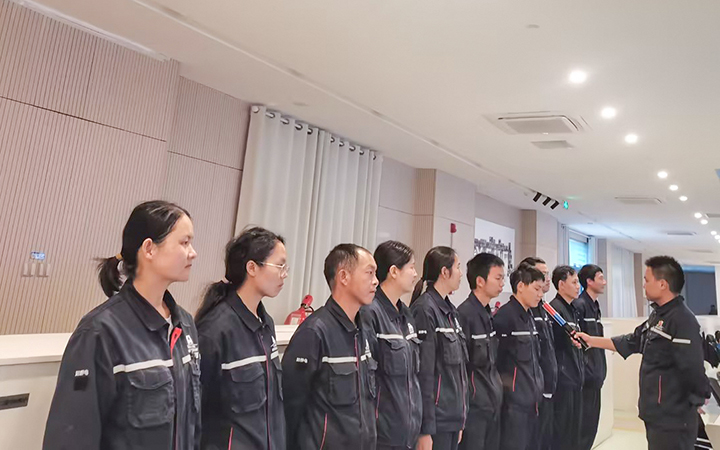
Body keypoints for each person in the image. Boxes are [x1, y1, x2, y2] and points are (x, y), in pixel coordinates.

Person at [42, 201, 200, 450]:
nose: (193, 253)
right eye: (184, 242)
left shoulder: (185, 325)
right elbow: (72, 435)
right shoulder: (101, 332)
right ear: (149, 248)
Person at [577, 256, 710, 450]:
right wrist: (591, 341)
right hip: (656, 414)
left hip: (673, 418)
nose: (643, 285)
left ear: (662, 284)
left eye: (647, 280)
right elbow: (632, 341)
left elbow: (692, 366)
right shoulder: (658, 316)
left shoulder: (682, 320)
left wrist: (698, 399)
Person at [195, 227, 287, 449]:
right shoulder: (216, 330)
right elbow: (196, 409)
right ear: (252, 267)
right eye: (280, 266)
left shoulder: (266, 323)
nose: (284, 274)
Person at [282, 244, 379, 450]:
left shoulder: (364, 328)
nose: (376, 281)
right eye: (369, 273)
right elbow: (291, 405)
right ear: (344, 276)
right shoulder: (314, 332)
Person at [359, 240, 422, 450]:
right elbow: (366, 380)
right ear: (394, 271)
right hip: (383, 435)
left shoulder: (406, 314)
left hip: (407, 432)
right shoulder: (370, 312)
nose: (415, 274)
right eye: (411, 267)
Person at [411, 246, 468, 450]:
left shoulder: (450, 311)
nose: (461, 273)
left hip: (452, 418)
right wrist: (425, 429)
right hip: (437, 422)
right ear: (445, 272)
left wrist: (460, 418)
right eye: (458, 267)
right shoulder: (425, 310)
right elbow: (424, 373)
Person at [494, 264, 545, 450]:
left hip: (532, 401)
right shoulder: (504, 317)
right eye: (536, 289)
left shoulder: (529, 316)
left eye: (542, 290)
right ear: (521, 286)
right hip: (513, 406)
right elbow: (497, 362)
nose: (540, 294)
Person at [457, 253, 505, 450]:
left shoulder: (488, 314)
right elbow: (461, 368)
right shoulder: (464, 315)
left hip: (493, 405)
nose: (502, 283)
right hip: (475, 410)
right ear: (480, 281)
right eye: (498, 278)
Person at [521, 257, 556, 450]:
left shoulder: (544, 308)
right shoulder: (527, 311)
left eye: (547, 274)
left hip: (549, 386)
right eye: (542, 275)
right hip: (533, 390)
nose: (546, 279)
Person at [548, 265, 584, 450]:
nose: (578, 287)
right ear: (561, 285)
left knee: (574, 432)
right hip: (563, 380)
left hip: (575, 378)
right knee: (562, 433)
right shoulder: (554, 310)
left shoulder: (572, 309)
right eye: (574, 282)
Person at [574, 264, 607, 450]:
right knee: (583, 428)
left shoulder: (595, 306)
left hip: (596, 375)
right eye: (600, 278)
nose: (604, 282)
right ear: (589, 281)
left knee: (592, 425)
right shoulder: (580, 305)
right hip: (587, 378)